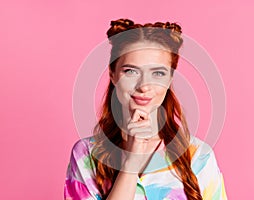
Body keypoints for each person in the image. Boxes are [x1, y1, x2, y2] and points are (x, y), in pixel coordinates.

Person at [64, 18, 227, 200]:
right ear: (113, 75)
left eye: (158, 73)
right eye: (131, 71)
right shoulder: (86, 154)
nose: (144, 86)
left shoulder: (198, 156)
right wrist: (130, 165)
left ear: (169, 79)